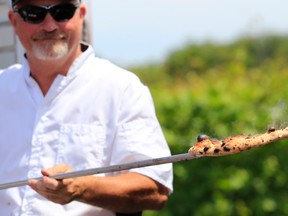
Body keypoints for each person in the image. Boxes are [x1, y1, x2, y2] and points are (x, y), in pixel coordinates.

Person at [0, 0, 173, 215]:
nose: (49, 26)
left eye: (62, 12)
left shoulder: (121, 88)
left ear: (81, 15)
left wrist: (80, 187)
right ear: (13, 21)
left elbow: (155, 190)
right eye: (33, 14)